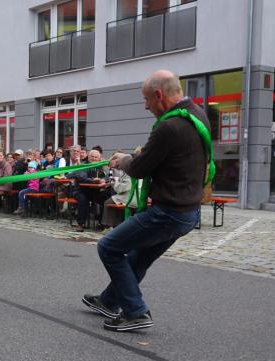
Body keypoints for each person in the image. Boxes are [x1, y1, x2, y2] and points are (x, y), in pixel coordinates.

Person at [82, 69, 209, 332]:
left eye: (146, 100)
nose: (145, 106)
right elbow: (167, 157)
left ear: (159, 95)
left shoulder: (169, 127)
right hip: (188, 211)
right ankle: (109, 301)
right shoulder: (197, 115)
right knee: (139, 258)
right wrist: (140, 155)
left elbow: (139, 168)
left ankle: (136, 312)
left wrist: (122, 160)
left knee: (109, 247)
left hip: (169, 213)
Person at [66, 149, 109, 232]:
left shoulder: (102, 167)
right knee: (83, 200)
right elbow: (82, 177)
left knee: (105, 199)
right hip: (81, 190)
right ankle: (80, 224)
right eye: (92, 156)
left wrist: (103, 180)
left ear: (100, 159)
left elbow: (108, 176)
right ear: (88, 157)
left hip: (95, 191)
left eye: (96, 157)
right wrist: (94, 180)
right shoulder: (83, 165)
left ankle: (102, 223)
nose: (94, 158)